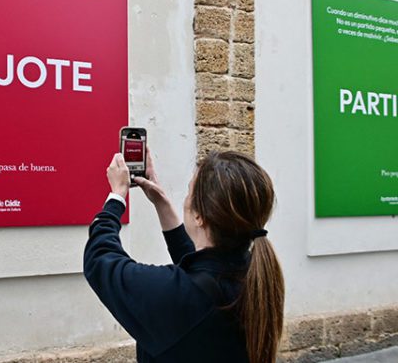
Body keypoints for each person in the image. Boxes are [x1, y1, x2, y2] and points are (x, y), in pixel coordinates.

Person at [83, 148, 285, 363]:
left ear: (199, 217)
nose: (186, 200)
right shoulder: (255, 278)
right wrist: (162, 203)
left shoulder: (176, 295)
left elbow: (100, 259)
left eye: (189, 193)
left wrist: (116, 196)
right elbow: (202, 270)